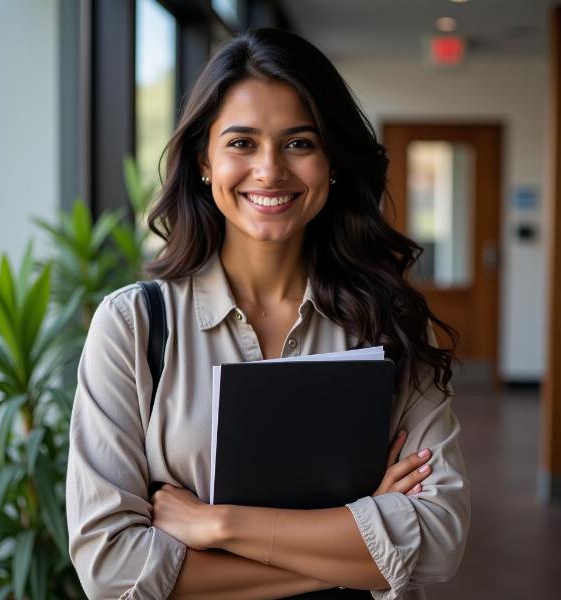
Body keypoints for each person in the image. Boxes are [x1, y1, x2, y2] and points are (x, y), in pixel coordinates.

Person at [66, 28, 470, 600]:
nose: (270, 170)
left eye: (299, 143)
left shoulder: (392, 324)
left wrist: (219, 525)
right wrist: (364, 540)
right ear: (204, 160)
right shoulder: (133, 327)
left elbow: (439, 539)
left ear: (332, 161)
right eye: (241, 143)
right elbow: (110, 568)